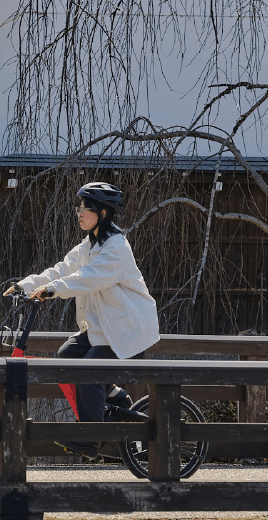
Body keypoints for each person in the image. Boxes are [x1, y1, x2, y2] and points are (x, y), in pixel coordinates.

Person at [9, 181, 160, 456]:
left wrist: (54, 290)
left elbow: (88, 279)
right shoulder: (87, 246)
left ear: (103, 213)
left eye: (86, 207)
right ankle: (115, 396)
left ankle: (91, 438)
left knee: (88, 371)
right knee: (67, 355)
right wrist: (27, 285)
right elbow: (62, 269)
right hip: (101, 328)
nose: (79, 212)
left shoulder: (116, 248)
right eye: (79, 206)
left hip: (125, 329)